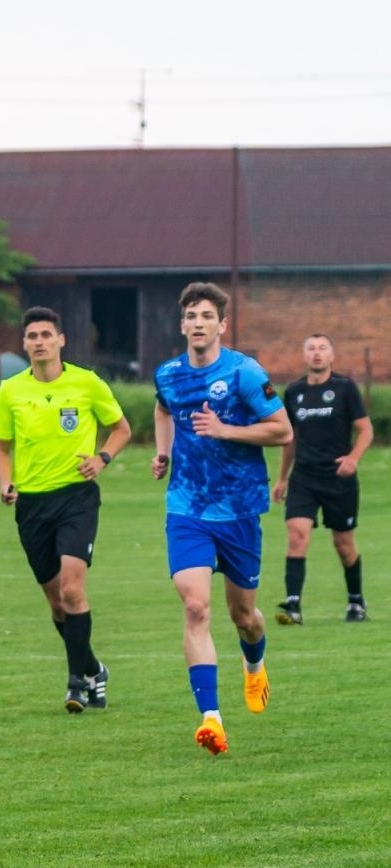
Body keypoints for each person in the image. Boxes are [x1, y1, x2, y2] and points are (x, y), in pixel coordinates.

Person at [152, 282, 291, 756]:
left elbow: (282, 429)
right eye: (190, 316)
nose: (197, 323)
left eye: (206, 316)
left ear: (222, 325)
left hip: (239, 509)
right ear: (182, 324)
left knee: (243, 615)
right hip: (186, 507)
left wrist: (225, 429)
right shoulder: (168, 373)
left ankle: (254, 667)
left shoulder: (245, 372)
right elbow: (162, 407)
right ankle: (211, 719)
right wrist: (163, 451)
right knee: (195, 607)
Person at [0, 307, 131, 713]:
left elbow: (122, 428)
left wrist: (103, 458)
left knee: (73, 588)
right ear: (24, 343)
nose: (39, 342)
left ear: (61, 340)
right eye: (32, 336)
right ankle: (93, 668)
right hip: (32, 503)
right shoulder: (10, 391)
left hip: (76, 497)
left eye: (46, 335)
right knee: (56, 602)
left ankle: (75, 684)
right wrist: (5, 481)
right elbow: (1, 447)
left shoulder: (87, 384)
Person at [272, 333, 372, 624]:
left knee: (343, 543)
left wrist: (353, 459)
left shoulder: (345, 388)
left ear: (332, 356)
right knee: (296, 535)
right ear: (304, 356)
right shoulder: (294, 392)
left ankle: (356, 602)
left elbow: (365, 430)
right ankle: (293, 607)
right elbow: (290, 438)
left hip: (338, 479)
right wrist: (282, 478)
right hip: (304, 476)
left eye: (322, 348)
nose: (317, 353)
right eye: (311, 349)